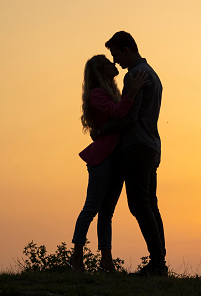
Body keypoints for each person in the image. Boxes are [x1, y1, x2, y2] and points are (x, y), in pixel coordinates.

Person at [96, 31, 167, 276]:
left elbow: (129, 117)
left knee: (139, 205)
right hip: (152, 145)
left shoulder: (134, 75)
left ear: (126, 49)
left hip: (136, 146)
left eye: (116, 54)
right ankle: (159, 262)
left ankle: (158, 263)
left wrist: (103, 129)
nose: (115, 61)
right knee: (150, 204)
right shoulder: (154, 75)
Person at [71, 54, 147, 272]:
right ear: (99, 71)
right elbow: (119, 112)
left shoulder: (111, 92)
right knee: (92, 207)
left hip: (116, 155)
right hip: (103, 156)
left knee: (107, 212)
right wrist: (134, 89)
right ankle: (76, 256)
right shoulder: (97, 94)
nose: (113, 64)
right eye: (107, 63)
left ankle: (106, 261)